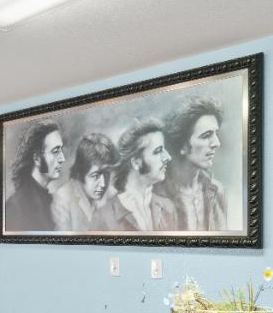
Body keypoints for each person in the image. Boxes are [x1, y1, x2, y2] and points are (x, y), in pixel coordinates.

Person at [91, 119, 176, 232]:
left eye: (164, 150)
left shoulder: (168, 208)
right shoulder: (105, 216)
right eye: (158, 151)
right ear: (136, 162)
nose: (168, 157)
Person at [163, 96, 228, 231]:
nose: (216, 143)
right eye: (206, 136)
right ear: (182, 145)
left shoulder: (216, 190)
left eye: (216, 134)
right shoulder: (158, 195)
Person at [4, 119, 64, 231]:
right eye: (55, 151)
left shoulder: (51, 201)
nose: (62, 159)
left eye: (61, 150)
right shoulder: (17, 206)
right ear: (37, 158)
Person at [51, 133, 118, 231]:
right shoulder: (62, 200)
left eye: (106, 174)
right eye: (95, 176)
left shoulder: (112, 196)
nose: (103, 184)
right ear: (80, 173)